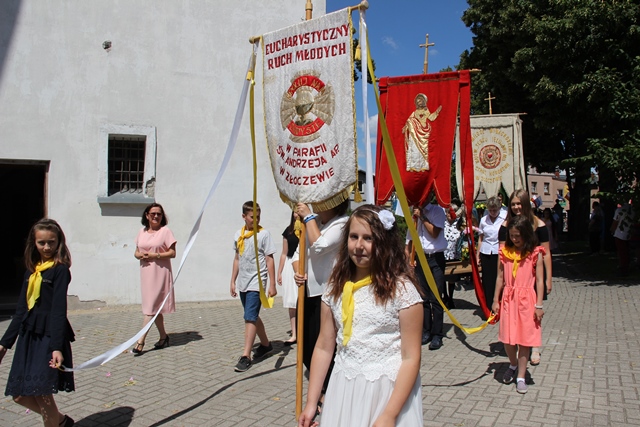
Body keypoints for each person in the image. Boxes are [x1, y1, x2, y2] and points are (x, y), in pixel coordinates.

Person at [298, 205, 423, 427]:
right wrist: (311, 402)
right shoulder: (335, 287)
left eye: (368, 238)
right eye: (354, 237)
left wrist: (389, 415)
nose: (359, 246)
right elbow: (324, 347)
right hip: (343, 387)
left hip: (386, 392)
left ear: (383, 242)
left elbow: (411, 358)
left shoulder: (402, 291)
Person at [0, 219, 76, 427]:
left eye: (51, 242)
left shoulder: (60, 270)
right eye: (42, 242)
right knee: (19, 396)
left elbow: (58, 310)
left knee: (43, 395)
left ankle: (55, 422)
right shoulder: (31, 272)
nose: (47, 247)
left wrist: (56, 347)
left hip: (48, 338)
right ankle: (62, 422)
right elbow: (21, 311)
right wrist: (4, 344)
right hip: (28, 337)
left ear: (59, 242)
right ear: (34, 243)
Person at [293, 198, 349, 399]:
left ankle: (328, 391)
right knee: (305, 342)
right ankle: (320, 385)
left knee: (324, 343)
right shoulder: (314, 221)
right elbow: (297, 253)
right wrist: (298, 271)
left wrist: (308, 217)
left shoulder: (342, 223)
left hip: (328, 292)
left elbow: (319, 246)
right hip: (307, 291)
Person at [492, 216, 545, 394]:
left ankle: (521, 376)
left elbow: (540, 281)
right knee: (507, 338)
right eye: (512, 235)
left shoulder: (535, 253)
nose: (514, 239)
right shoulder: (505, 252)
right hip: (509, 298)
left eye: (518, 236)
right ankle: (513, 364)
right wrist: (495, 300)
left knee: (524, 339)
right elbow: (500, 277)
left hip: (526, 300)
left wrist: (539, 305)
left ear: (526, 234)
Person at [499, 189, 552, 366]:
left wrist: (549, 278)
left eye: (519, 203)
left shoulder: (538, 224)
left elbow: (546, 253)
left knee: (534, 314)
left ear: (526, 204)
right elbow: (503, 251)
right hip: (516, 276)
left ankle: (534, 347)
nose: (516, 207)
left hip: (534, 273)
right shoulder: (506, 226)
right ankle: (516, 342)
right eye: (513, 204)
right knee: (517, 313)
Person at [230, 201, 277, 372]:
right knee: (253, 315)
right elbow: (237, 258)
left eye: (258, 217)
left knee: (249, 316)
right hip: (243, 281)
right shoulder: (239, 235)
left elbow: (269, 259)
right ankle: (265, 345)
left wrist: (272, 284)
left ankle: (246, 355)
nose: (256, 220)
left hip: (257, 281)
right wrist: (232, 280)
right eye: (252, 217)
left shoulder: (264, 234)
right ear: (244, 216)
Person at [132, 203, 177, 354]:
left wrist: (154, 255)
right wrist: (140, 255)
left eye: (159, 214)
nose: (156, 216)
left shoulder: (166, 231)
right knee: (155, 308)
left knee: (150, 309)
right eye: (153, 214)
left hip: (160, 273)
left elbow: (172, 253)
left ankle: (140, 341)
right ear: (147, 216)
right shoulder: (142, 231)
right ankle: (164, 337)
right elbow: (136, 252)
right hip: (146, 273)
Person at [406, 199, 447, 350]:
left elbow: (434, 233)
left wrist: (422, 217)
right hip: (420, 258)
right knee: (423, 297)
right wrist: (409, 258)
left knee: (436, 297)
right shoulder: (414, 215)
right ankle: (426, 330)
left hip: (435, 258)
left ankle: (437, 334)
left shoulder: (437, 211)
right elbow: (410, 238)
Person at [277, 212, 301, 345]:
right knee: (292, 302)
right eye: (295, 211)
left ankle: (304, 332)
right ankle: (294, 334)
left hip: (303, 266)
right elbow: (284, 253)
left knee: (303, 300)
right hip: (289, 266)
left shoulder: (308, 229)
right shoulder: (288, 231)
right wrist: (279, 272)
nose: (297, 214)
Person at [477, 196, 505, 310]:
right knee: (487, 281)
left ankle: (500, 305)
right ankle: (488, 307)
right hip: (486, 252)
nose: (493, 212)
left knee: (499, 278)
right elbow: (481, 238)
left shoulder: (504, 219)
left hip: (499, 252)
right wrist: (478, 255)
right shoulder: (483, 220)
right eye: (490, 210)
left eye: (495, 210)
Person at [403, 93, 442, 172]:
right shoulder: (415, 112)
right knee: (414, 148)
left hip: (423, 132)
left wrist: (436, 112)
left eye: (420, 100)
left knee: (423, 149)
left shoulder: (426, 111)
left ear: (424, 101)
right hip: (415, 132)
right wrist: (406, 127)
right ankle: (413, 166)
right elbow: (409, 120)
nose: (419, 102)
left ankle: (423, 166)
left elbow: (431, 118)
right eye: (418, 101)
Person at [610, 201, 634, 277]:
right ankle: (626, 266)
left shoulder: (619, 210)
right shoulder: (633, 210)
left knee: (621, 252)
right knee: (626, 251)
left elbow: (615, 222)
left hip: (619, 233)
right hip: (629, 233)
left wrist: (612, 230)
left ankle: (623, 268)